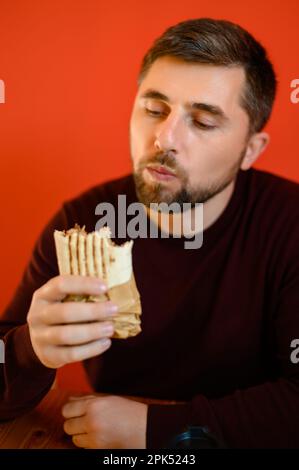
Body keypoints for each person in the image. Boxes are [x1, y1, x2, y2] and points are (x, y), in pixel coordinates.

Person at [0, 17, 299, 449]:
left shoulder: (288, 226)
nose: (165, 138)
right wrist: (30, 351)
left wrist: (159, 429)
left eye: (203, 121)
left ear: (250, 149)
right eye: (154, 109)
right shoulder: (84, 223)